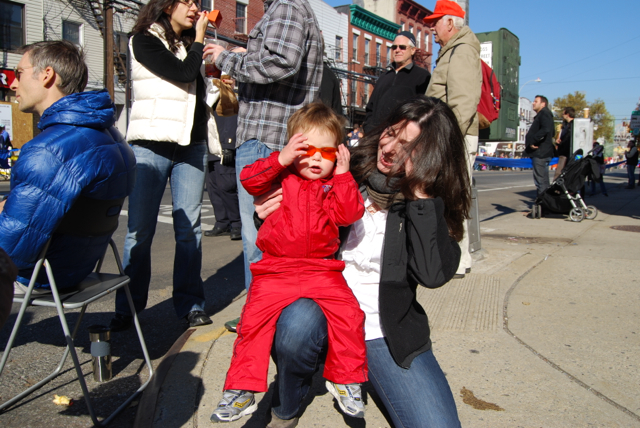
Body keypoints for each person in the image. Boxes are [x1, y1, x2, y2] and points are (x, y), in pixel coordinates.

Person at [255, 96, 467, 428]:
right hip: (320, 303)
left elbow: (432, 274)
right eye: (391, 133)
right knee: (295, 330)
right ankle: (288, 404)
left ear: (430, 156)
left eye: (407, 145)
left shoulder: (428, 201)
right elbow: (295, 211)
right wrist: (265, 215)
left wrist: (421, 196)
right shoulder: (346, 169)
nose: (391, 148)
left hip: (383, 331)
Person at [210, 103, 367, 423]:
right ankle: (241, 389)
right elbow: (249, 180)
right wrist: (280, 159)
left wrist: (343, 177)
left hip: (321, 269)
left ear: (337, 155)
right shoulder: (280, 175)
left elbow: (349, 214)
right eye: (305, 149)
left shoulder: (332, 185)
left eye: (325, 152)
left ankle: (346, 379)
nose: (314, 158)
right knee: (252, 323)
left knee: (350, 314)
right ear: (291, 148)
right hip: (276, 269)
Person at [205, 0, 323, 334]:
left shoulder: (286, 6)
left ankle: (262, 316)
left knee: (258, 236)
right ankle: (278, 316)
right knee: (275, 233)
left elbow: (279, 63)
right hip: (276, 139)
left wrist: (224, 58)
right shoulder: (294, 8)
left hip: (266, 140)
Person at [110, 0, 221, 332]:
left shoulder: (190, 45)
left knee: (189, 231)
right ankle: (128, 306)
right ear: (166, 4)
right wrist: (200, 39)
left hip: (192, 144)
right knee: (140, 231)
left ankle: (191, 304)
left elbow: (196, 90)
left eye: (197, 3)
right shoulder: (142, 40)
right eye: (186, 1)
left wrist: (216, 85)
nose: (194, 8)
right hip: (151, 144)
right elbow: (182, 73)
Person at [2, 40, 135, 294]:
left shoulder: (49, 151)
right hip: (80, 266)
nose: (13, 84)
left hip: (41, 274)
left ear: (47, 75)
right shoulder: (113, 138)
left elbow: (11, 251)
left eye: (19, 74)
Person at [424, 0, 481, 279]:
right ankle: (460, 257)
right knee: (451, 197)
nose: (432, 28)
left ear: (450, 23)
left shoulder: (460, 51)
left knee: (453, 198)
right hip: (449, 136)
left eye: (435, 22)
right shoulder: (453, 50)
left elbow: (462, 103)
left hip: (453, 138)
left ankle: (457, 260)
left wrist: (449, 142)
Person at [363, 31, 430, 134]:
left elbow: (424, 112)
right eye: (394, 47)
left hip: (403, 140)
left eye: (402, 47)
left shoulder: (422, 77)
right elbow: (370, 109)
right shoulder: (383, 77)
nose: (397, 50)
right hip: (376, 138)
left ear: (412, 50)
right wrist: (369, 131)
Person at [204, 109, 241, 240]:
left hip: (223, 147)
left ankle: (237, 224)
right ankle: (222, 222)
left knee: (227, 186)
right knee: (213, 188)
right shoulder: (206, 99)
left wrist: (229, 145)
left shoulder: (223, 96)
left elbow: (231, 118)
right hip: (209, 149)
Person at [525, 95, 555, 197]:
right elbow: (552, 132)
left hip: (541, 153)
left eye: (536, 101)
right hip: (543, 152)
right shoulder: (545, 114)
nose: (533, 103)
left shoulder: (544, 114)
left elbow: (546, 130)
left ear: (543, 104)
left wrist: (533, 141)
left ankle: (543, 206)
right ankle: (546, 204)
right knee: (544, 181)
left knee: (541, 181)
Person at [554, 107, 574, 181]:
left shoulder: (572, 125)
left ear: (567, 114)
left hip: (566, 152)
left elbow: (567, 138)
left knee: (559, 173)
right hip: (564, 151)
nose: (562, 115)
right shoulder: (566, 125)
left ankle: (556, 188)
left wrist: (560, 143)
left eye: (563, 114)